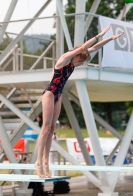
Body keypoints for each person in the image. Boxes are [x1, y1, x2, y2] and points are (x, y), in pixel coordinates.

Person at [35, 24, 124, 178]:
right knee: (45, 128)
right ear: (75, 56)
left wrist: (109, 38)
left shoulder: (75, 61)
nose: (81, 64)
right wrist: (100, 33)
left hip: (58, 95)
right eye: (81, 61)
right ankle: (37, 162)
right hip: (50, 93)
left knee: (51, 130)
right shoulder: (63, 60)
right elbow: (83, 47)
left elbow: (93, 48)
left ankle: (45, 163)